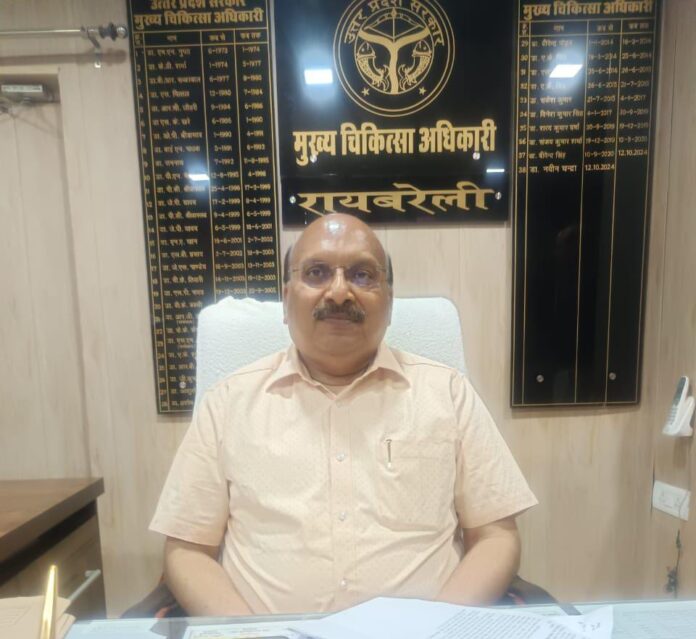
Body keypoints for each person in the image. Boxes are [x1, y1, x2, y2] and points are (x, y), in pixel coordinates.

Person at [150, 213, 537, 616]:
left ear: (389, 302)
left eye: (362, 275)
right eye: (316, 273)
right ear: (286, 300)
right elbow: (187, 549)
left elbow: (495, 536)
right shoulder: (228, 403)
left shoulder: (448, 393)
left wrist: (439, 628)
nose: (338, 293)